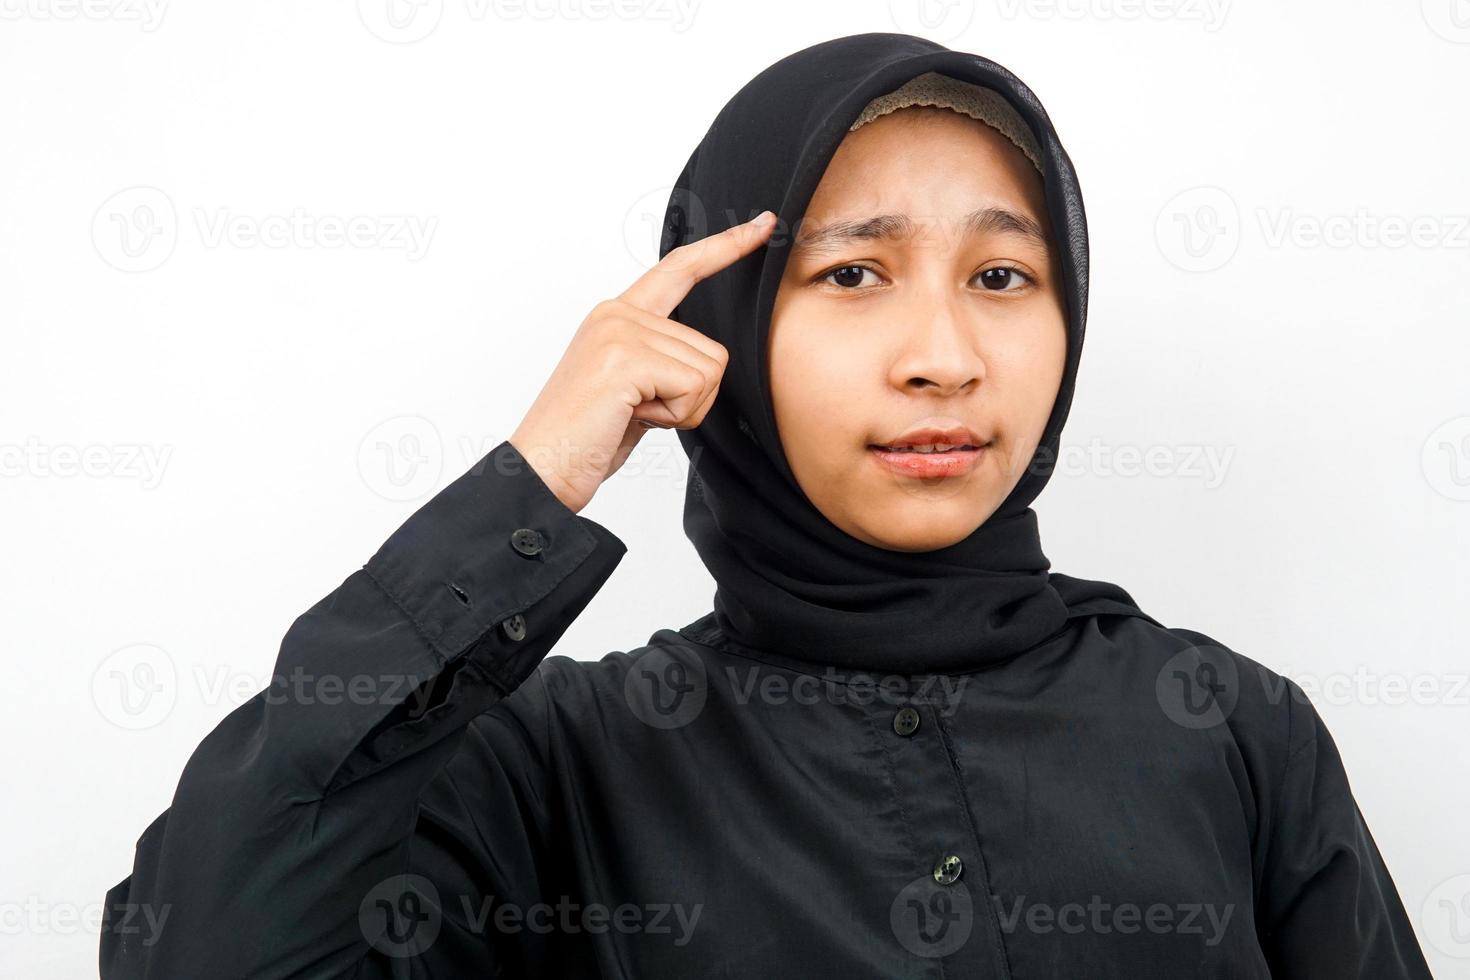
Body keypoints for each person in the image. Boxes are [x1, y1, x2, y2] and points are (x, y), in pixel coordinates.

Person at [99, 32, 1434, 978]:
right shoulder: (559, 767)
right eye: (851, 275)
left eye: (1003, 277)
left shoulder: (1228, 732)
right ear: (723, 324)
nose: (943, 357)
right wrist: (528, 489)